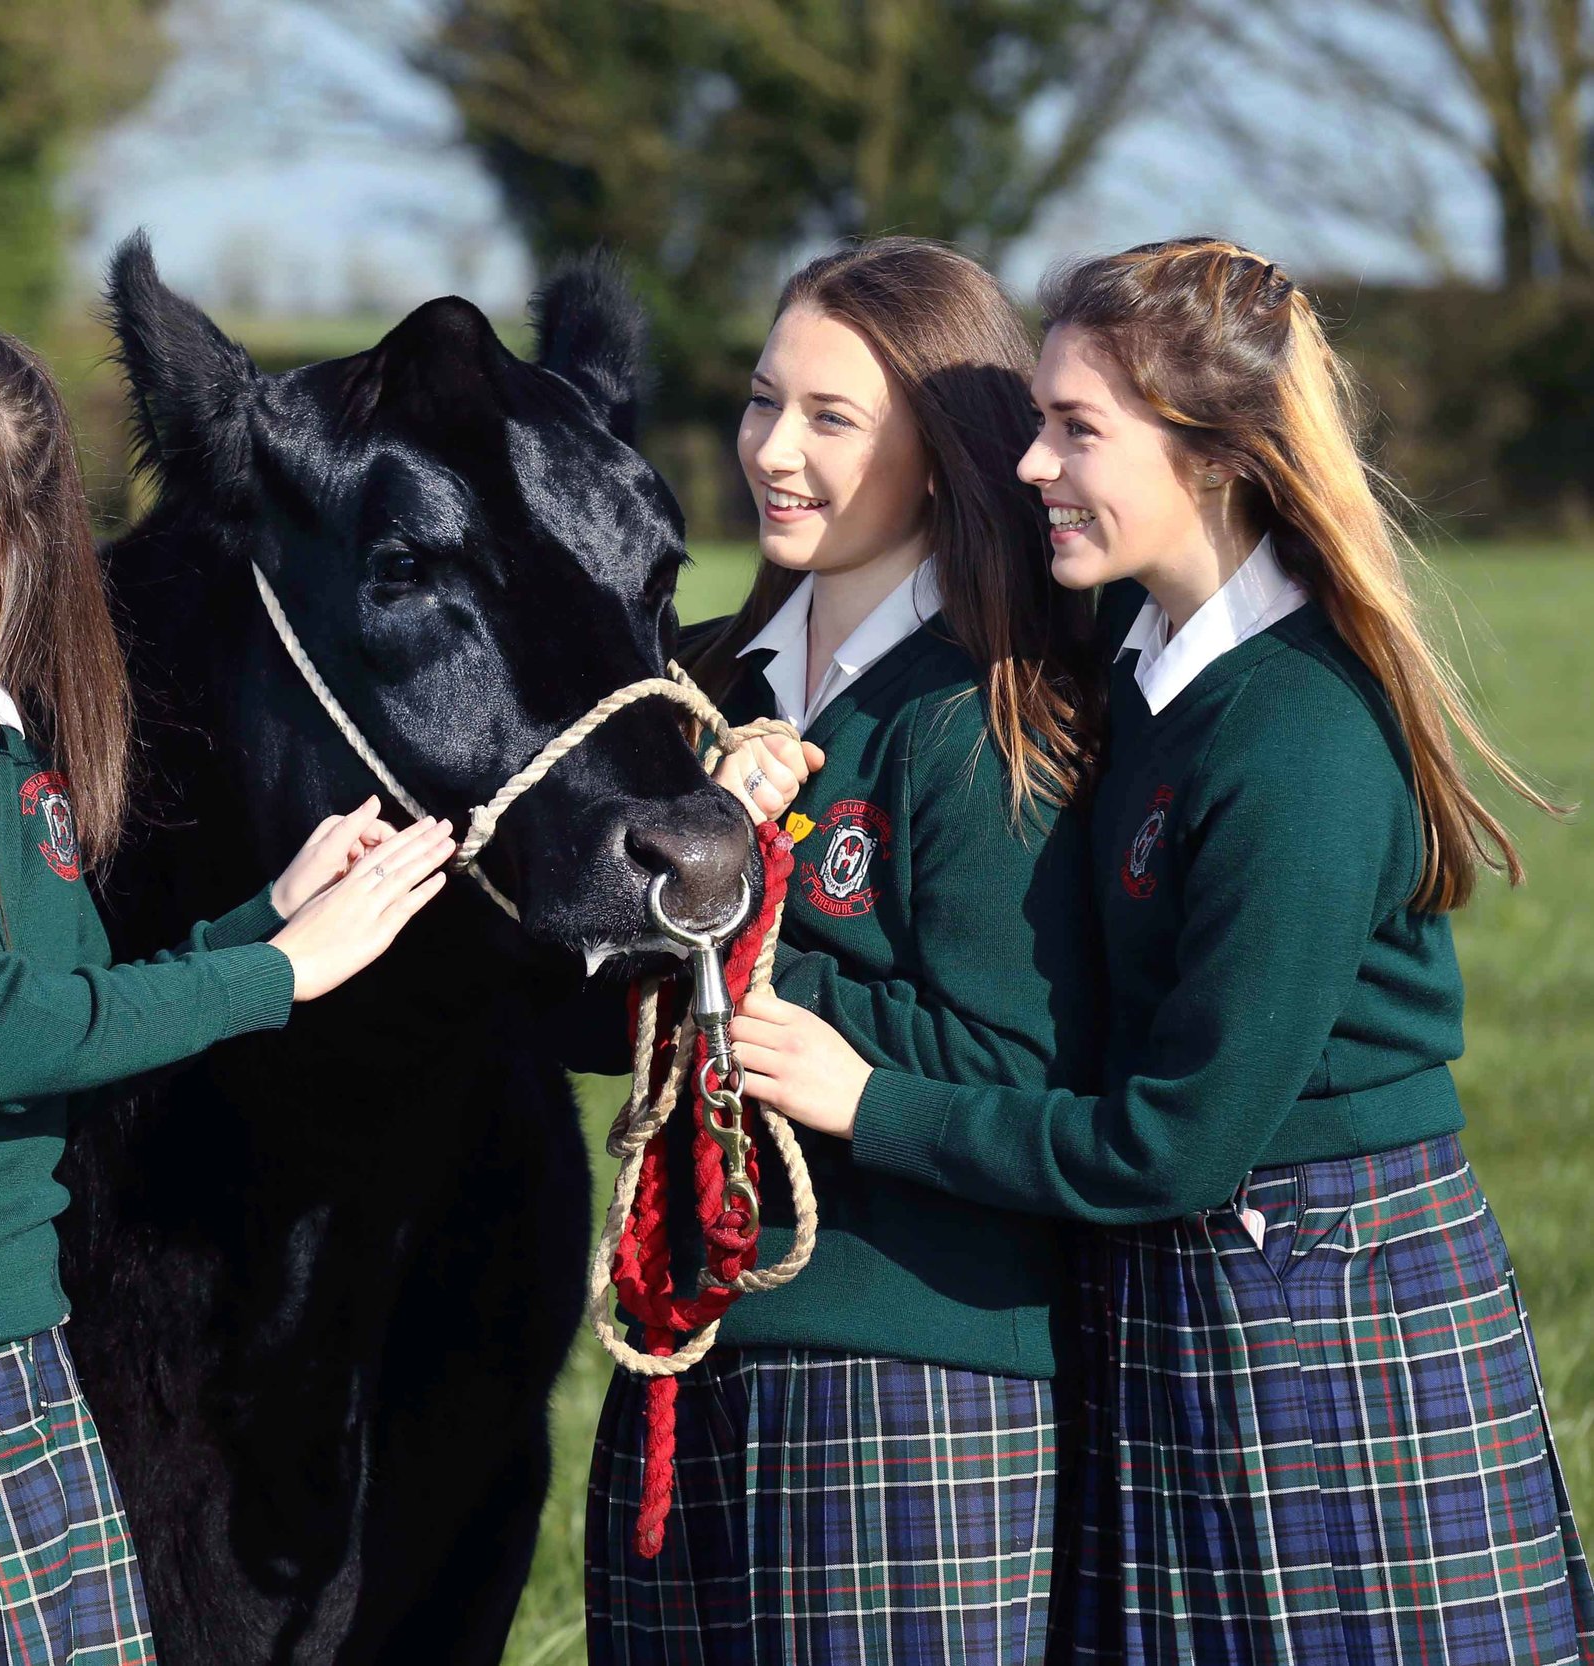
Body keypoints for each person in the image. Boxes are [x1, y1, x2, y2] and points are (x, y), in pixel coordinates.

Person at [734, 236, 1594, 1663]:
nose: (1029, 466)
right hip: (1186, 1285)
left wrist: (868, 1096)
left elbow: (1175, 1144)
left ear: (1214, 457)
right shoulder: (1140, 664)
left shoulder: (1301, 734)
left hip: (1326, 1293)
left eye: (1078, 431)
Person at [0, 318, 455, 1663]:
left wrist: (265, 907)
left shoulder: (13, 746)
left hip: (7, 1349)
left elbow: (78, 997)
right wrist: (281, 969)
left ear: (16, 528)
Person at [586, 238, 1100, 1664]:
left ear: (938, 458)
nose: (773, 451)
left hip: (913, 1373)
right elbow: (601, 1002)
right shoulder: (691, 688)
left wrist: (755, 965)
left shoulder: (993, 715)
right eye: (762, 402)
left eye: (831, 418)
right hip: (683, 1353)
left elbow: (1029, 1056)